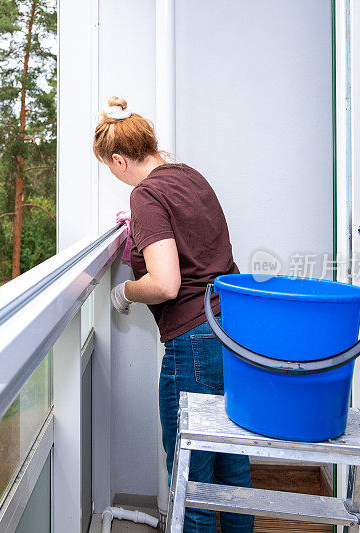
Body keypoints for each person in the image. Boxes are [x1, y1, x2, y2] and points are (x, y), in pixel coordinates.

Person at [93, 96, 254, 533]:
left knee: (192, 480)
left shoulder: (146, 195)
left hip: (195, 341)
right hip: (232, 327)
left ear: (120, 160)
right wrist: (142, 226)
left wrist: (124, 292)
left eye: (110, 167)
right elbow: (194, 242)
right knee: (232, 471)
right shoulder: (189, 177)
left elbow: (165, 284)